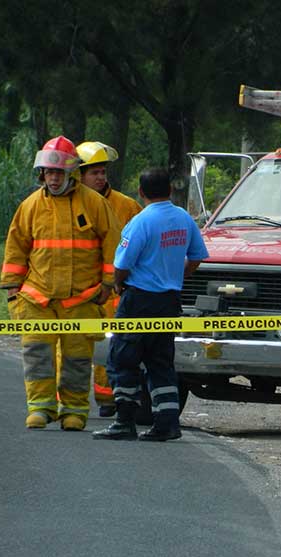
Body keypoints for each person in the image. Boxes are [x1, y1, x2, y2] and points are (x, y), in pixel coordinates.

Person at [0, 136, 120, 431]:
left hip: (82, 298)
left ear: (71, 173)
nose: (53, 179)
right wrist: (13, 288)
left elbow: (112, 244)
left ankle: (74, 411)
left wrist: (108, 284)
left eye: (58, 173)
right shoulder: (29, 206)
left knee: (77, 359)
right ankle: (40, 407)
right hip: (37, 299)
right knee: (37, 355)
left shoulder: (94, 204)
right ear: (42, 173)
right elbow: (16, 248)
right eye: (48, 173)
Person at [93, 167, 208, 441]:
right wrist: (179, 274)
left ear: (141, 192)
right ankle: (167, 423)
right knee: (160, 362)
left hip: (138, 301)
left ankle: (124, 421)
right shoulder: (184, 218)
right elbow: (197, 256)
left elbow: (121, 264)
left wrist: (119, 284)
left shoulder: (140, 222)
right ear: (170, 190)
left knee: (123, 359)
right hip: (169, 301)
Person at [76, 141, 142, 418]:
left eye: (103, 172)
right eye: (94, 172)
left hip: (115, 289)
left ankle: (109, 399)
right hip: (79, 290)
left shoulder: (126, 206)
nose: (101, 177)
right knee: (73, 346)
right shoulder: (69, 205)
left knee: (113, 346)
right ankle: (66, 401)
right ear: (78, 175)